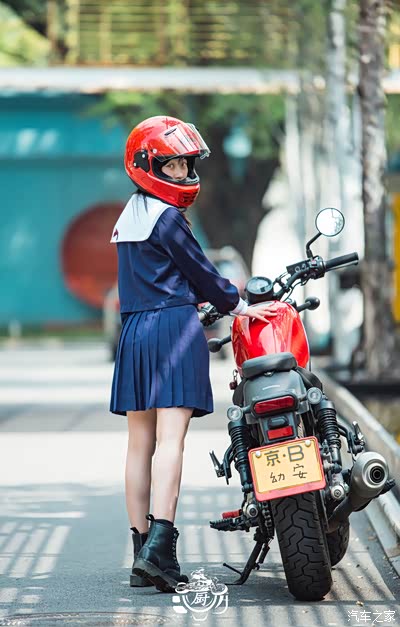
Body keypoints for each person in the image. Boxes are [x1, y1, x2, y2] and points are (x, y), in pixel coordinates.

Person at [109, 115, 277, 593]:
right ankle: (160, 548)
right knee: (170, 442)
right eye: (173, 165)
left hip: (134, 331)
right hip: (172, 330)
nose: (182, 173)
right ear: (148, 166)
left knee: (138, 445)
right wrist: (239, 305)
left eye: (185, 164)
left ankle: (142, 550)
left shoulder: (128, 219)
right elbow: (202, 272)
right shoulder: (167, 219)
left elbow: (149, 279)